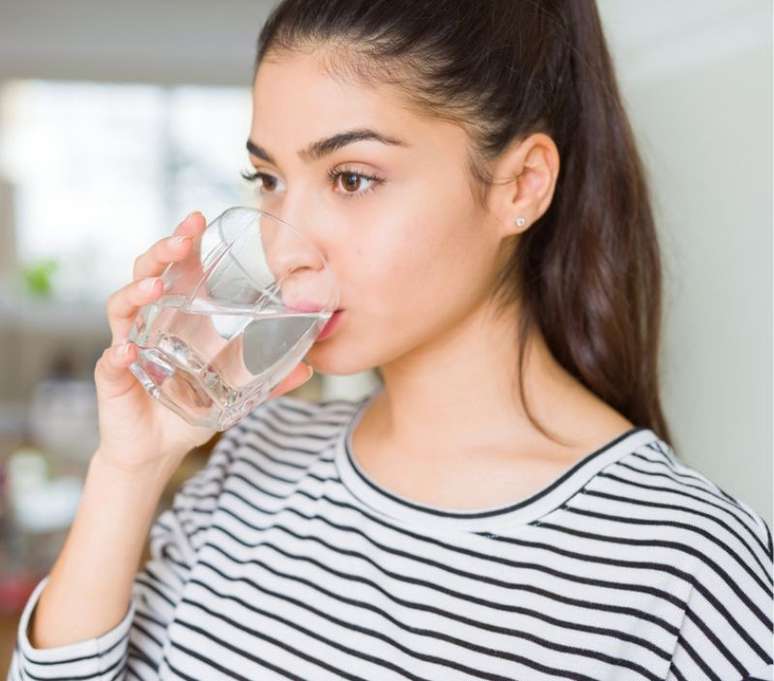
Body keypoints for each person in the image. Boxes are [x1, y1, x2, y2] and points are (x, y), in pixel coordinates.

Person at [8, 0, 773, 679]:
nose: (286, 250)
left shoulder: (685, 564)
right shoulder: (255, 451)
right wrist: (129, 469)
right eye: (269, 180)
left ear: (521, 185)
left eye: (352, 178)